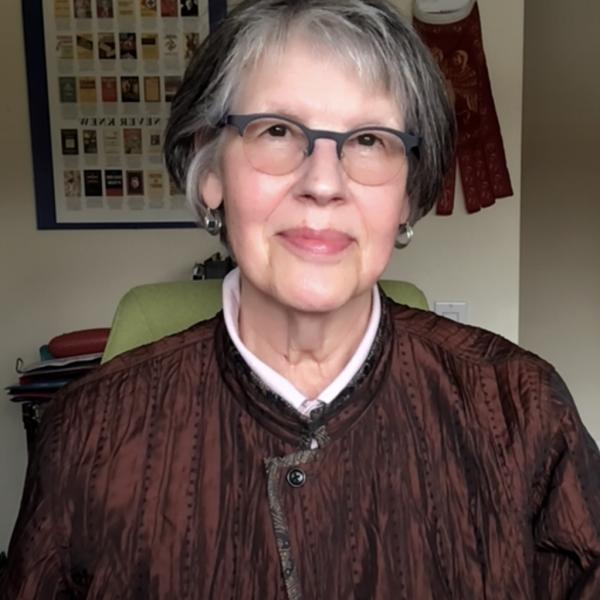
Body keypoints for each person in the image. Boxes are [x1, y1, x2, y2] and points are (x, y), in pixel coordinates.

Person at [3, 1, 599, 598]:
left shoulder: (523, 413)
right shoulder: (85, 433)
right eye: (277, 130)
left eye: (368, 139)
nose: (322, 182)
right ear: (210, 171)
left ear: (408, 196)